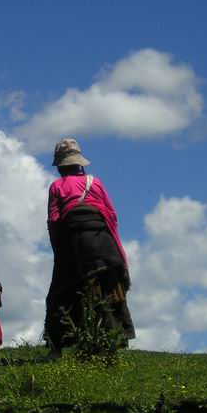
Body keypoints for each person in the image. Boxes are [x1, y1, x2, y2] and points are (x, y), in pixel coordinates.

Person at [45, 138, 135, 357]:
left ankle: (57, 348)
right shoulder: (95, 183)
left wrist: (59, 251)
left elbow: (54, 220)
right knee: (107, 289)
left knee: (61, 293)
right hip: (104, 243)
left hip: (74, 245)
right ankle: (115, 342)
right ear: (80, 164)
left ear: (59, 166)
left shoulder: (57, 186)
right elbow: (112, 214)